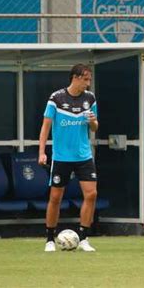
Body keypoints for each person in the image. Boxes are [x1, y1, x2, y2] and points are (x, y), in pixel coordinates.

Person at [39, 63, 99, 252]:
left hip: (83, 156)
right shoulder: (56, 98)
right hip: (61, 156)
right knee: (56, 197)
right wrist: (41, 152)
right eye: (86, 79)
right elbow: (45, 127)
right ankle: (49, 238)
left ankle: (83, 237)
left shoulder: (90, 98)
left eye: (90, 79)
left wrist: (92, 122)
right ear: (76, 77)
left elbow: (95, 127)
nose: (88, 83)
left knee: (92, 194)